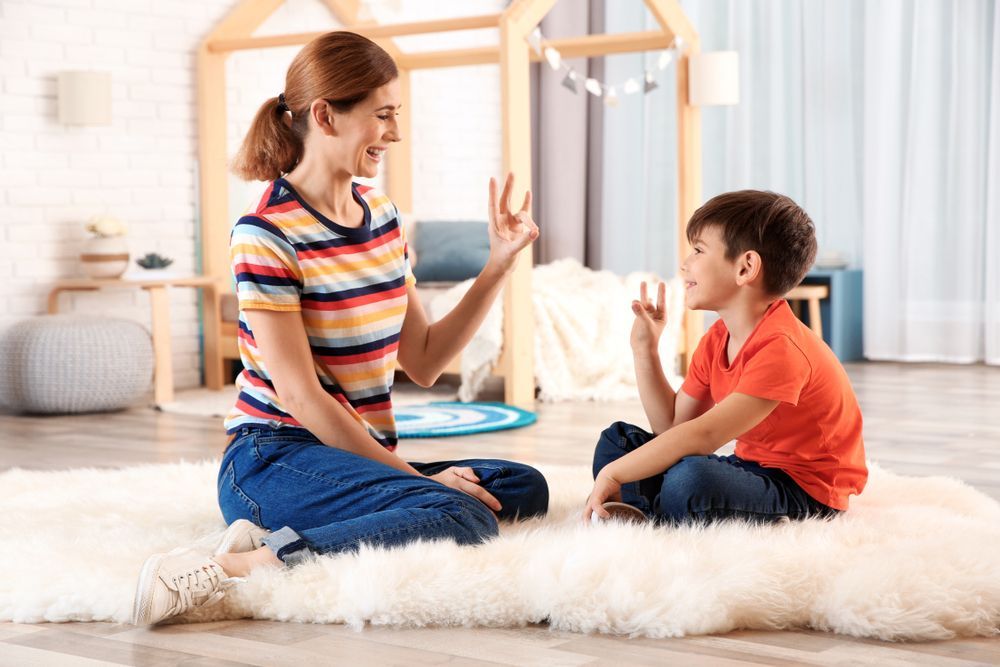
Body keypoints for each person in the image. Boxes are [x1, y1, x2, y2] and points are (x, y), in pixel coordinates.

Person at [132, 31, 548, 626]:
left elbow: (425, 360)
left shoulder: (383, 218)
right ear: (326, 115)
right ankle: (240, 567)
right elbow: (301, 398)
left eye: (396, 114)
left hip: (357, 456)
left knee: (521, 485)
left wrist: (499, 263)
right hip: (272, 457)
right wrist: (410, 478)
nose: (395, 133)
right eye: (383, 115)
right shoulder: (267, 233)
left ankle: (308, 530)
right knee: (464, 513)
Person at [585, 190, 867, 525]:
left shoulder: (782, 348)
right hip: (750, 469)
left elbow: (702, 437)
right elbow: (673, 428)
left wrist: (616, 476)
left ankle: (655, 508)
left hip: (806, 491)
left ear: (746, 267)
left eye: (698, 250)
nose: (684, 263)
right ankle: (660, 512)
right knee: (618, 442)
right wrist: (645, 351)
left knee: (691, 478)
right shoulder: (717, 338)